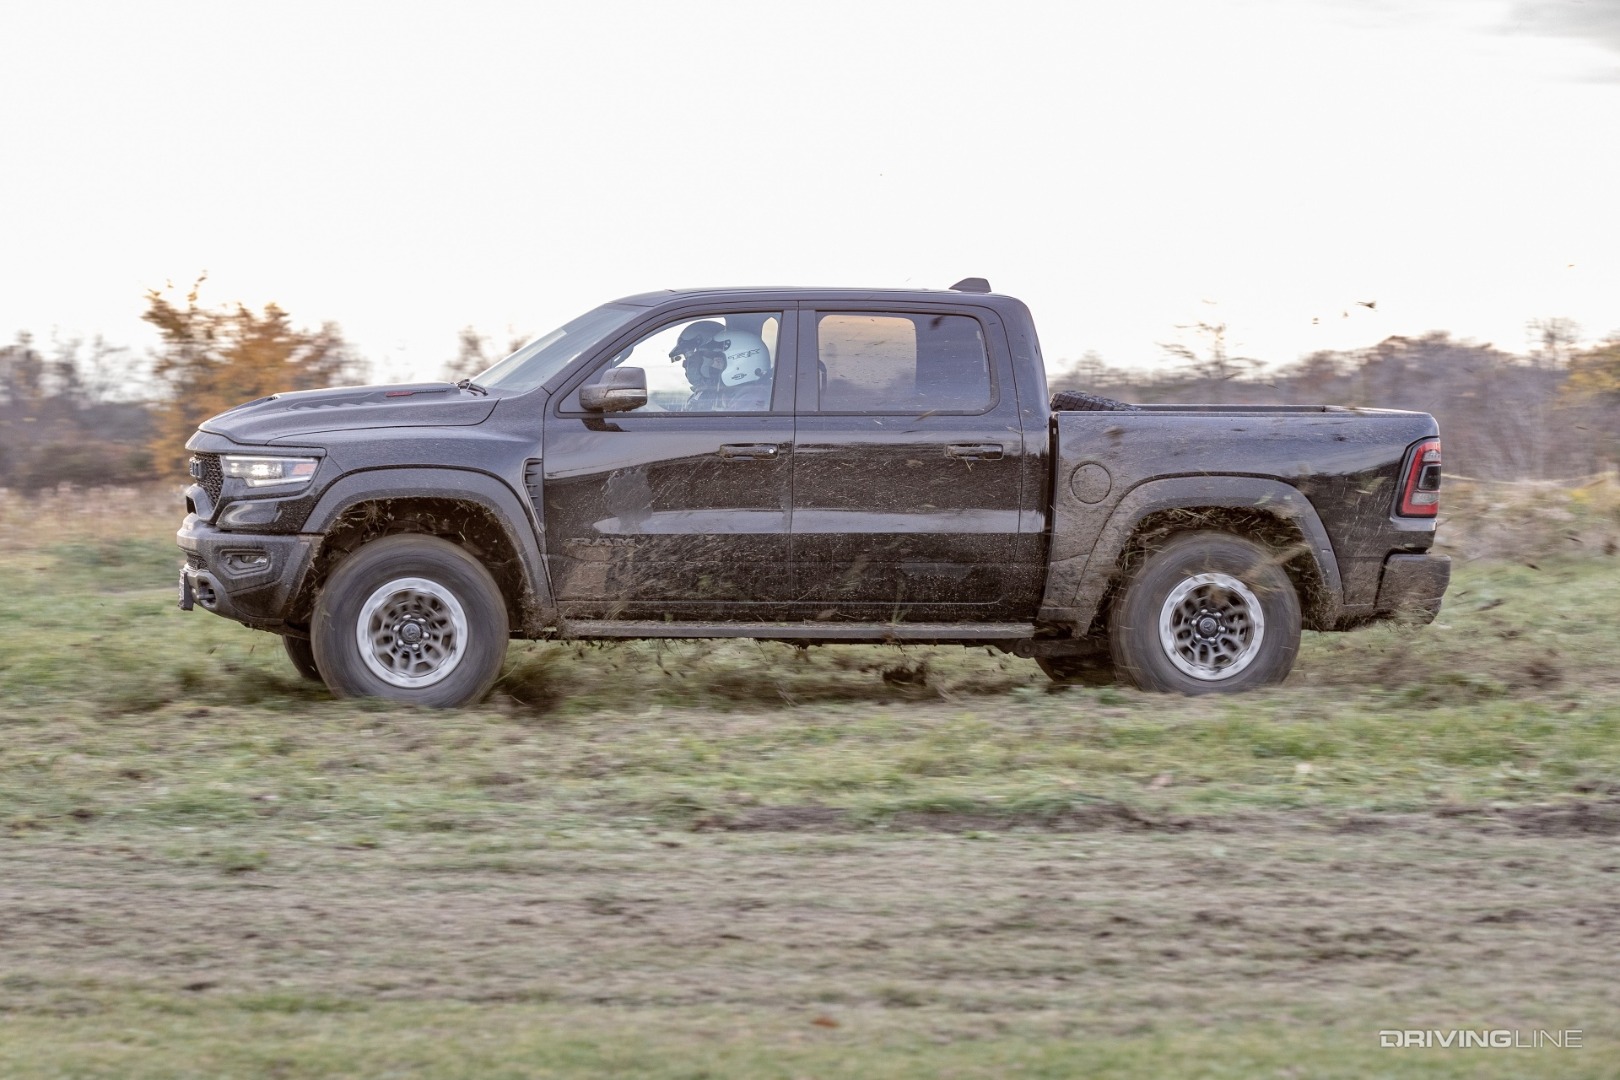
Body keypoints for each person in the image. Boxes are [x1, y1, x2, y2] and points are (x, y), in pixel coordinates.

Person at [667, 321, 772, 411]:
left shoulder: (750, 399)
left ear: (739, 359)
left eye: (717, 359)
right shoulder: (723, 394)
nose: (713, 365)